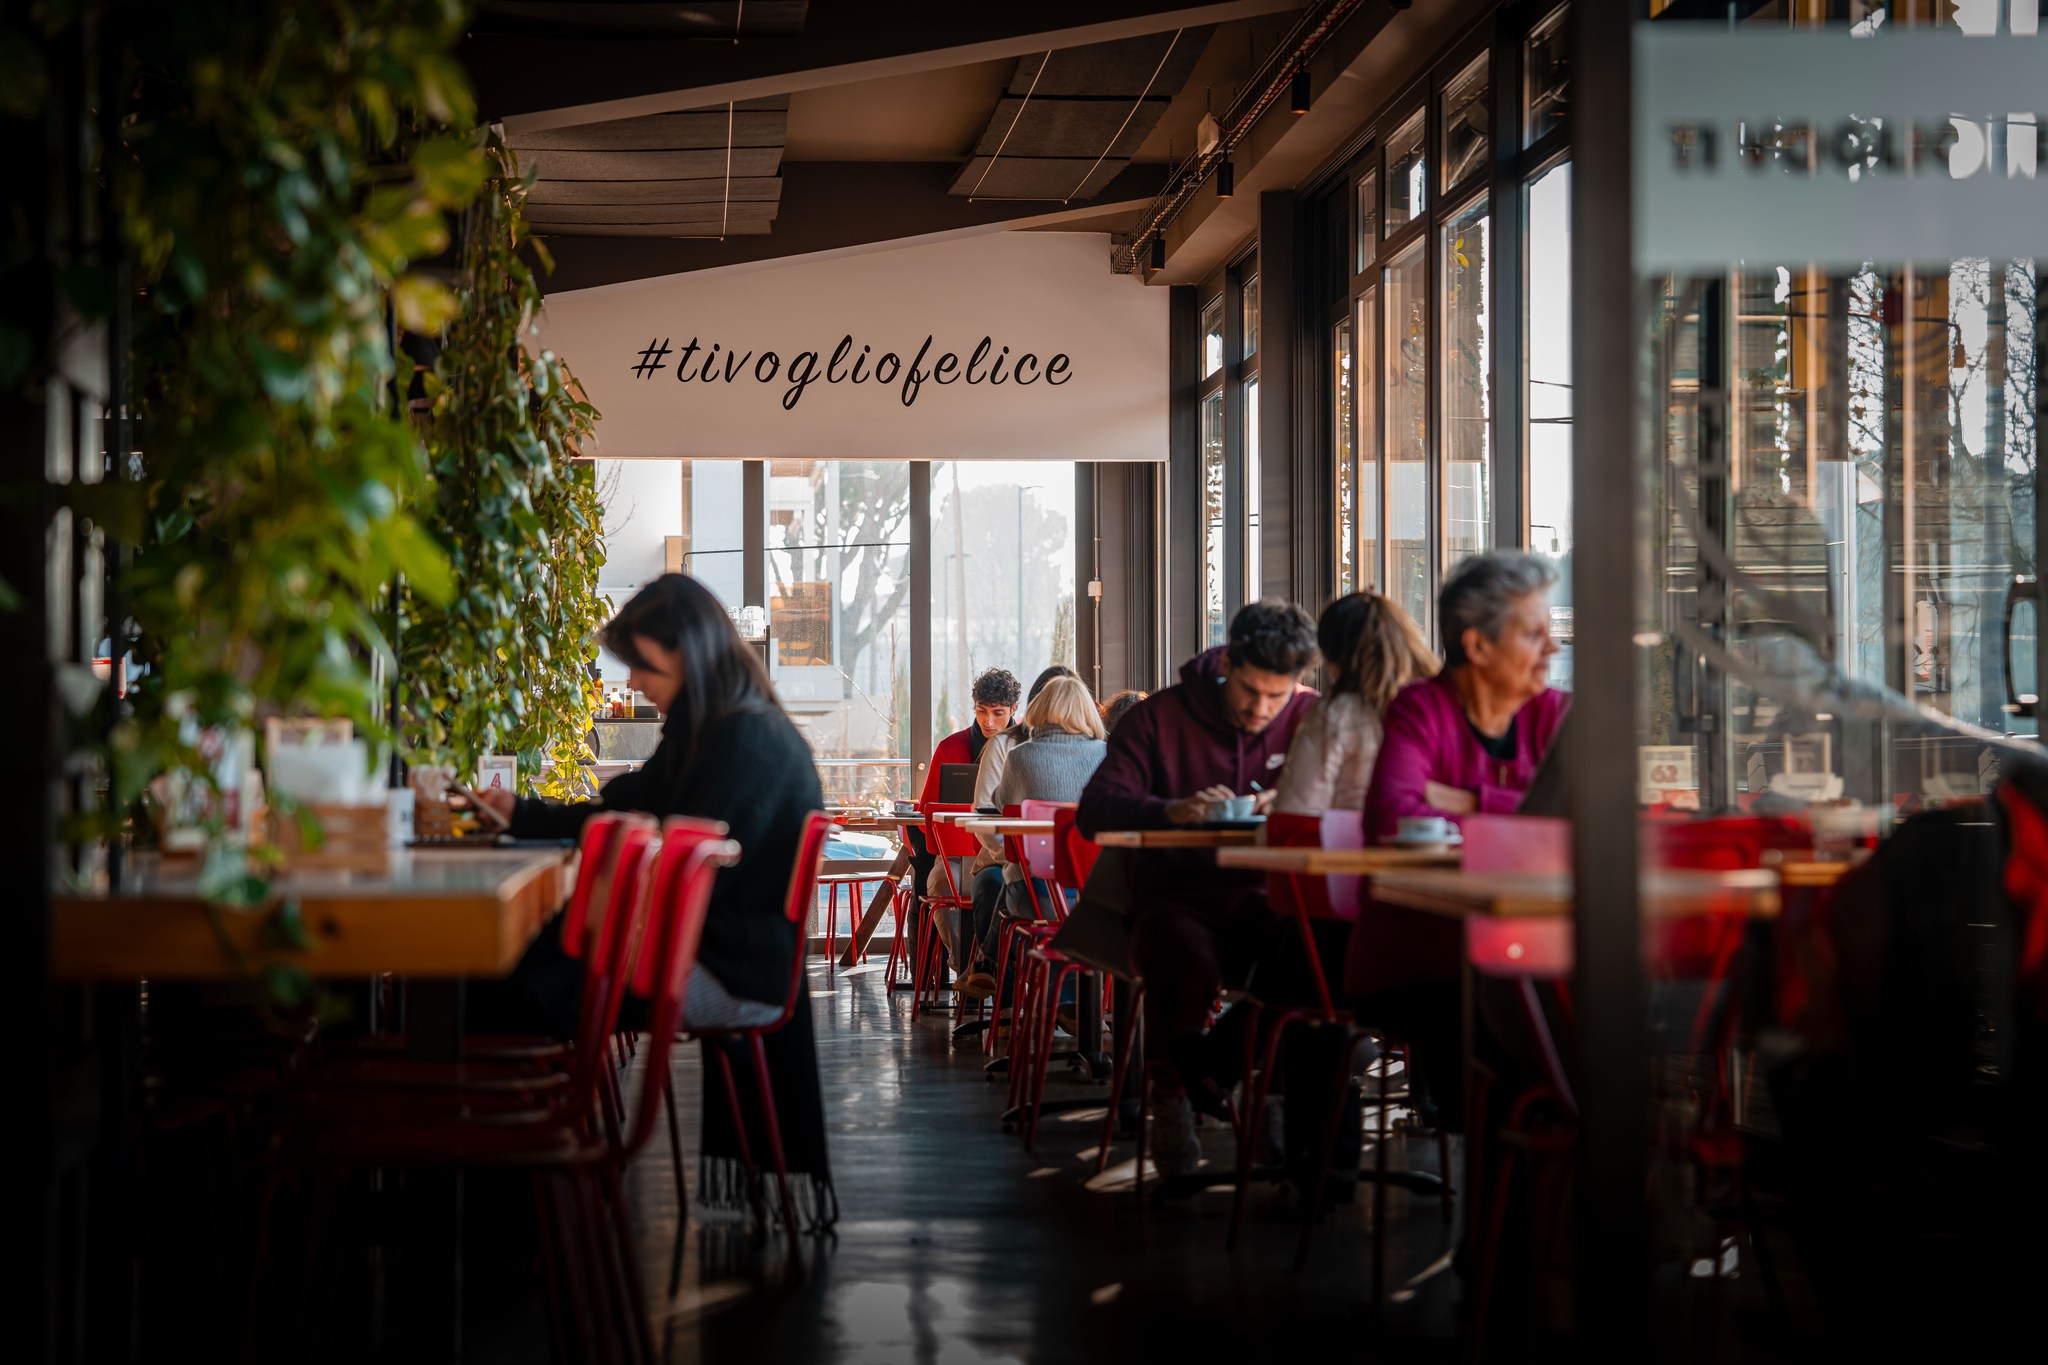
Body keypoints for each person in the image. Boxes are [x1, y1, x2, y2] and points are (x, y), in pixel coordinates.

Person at [479, 573, 836, 1215]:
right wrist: (522, 814)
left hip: (724, 969)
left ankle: (491, 1203)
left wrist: (535, 826)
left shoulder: (742, 742)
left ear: (686, 654)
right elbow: (631, 810)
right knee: (506, 975)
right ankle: (502, 1195)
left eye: (643, 664)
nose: (635, 682)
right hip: (725, 954)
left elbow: (655, 842)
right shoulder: (718, 729)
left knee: (497, 985)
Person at [1076, 601, 1320, 1177]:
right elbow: (1095, 811)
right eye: (1251, 691)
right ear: (1228, 664)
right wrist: (1172, 810)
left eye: (1276, 696)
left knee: (1312, 951)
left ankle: (1274, 1100)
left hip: (1275, 895)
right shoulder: (1159, 718)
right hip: (1176, 896)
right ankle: (1171, 1097)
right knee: (1179, 958)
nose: (1262, 710)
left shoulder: (1312, 716)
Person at [1349, 550, 1569, 1127]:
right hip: (1425, 956)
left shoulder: (1559, 717)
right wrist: (1525, 815)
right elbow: (1393, 818)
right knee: (1523, 1041)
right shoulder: (1420, 709)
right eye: (1534, 634)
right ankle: (1515, 1194)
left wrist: (1465, 802)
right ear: (1477, 647)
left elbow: (1603, 822)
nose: (1553, 648)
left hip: (1536, 949)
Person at [957, 676, 1108, 997]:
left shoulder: (1019, 756)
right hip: (1097, 899)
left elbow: (997, 808)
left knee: (1019, 873)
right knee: (1021, 875)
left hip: (1036, 896)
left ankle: (994, 976)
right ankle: (1073, 1005)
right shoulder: (1106, 755)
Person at [1272, 591, 1437, 815]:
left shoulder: (1335, 714)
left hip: (1353, 846)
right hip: (1443, 842)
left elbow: (1295, 812)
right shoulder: (1438, 704)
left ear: (1332, 658)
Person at [911, 667, 1021, 972]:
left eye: (998, 713)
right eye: (981, 711)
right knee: (941, 884)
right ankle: (966, 968)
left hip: (1006, 855)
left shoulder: (1025, 749)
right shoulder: (950, 747)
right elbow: (928, 814)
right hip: (955, 858)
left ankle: (994, 975)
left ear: (1014, 709)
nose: (989, 722)